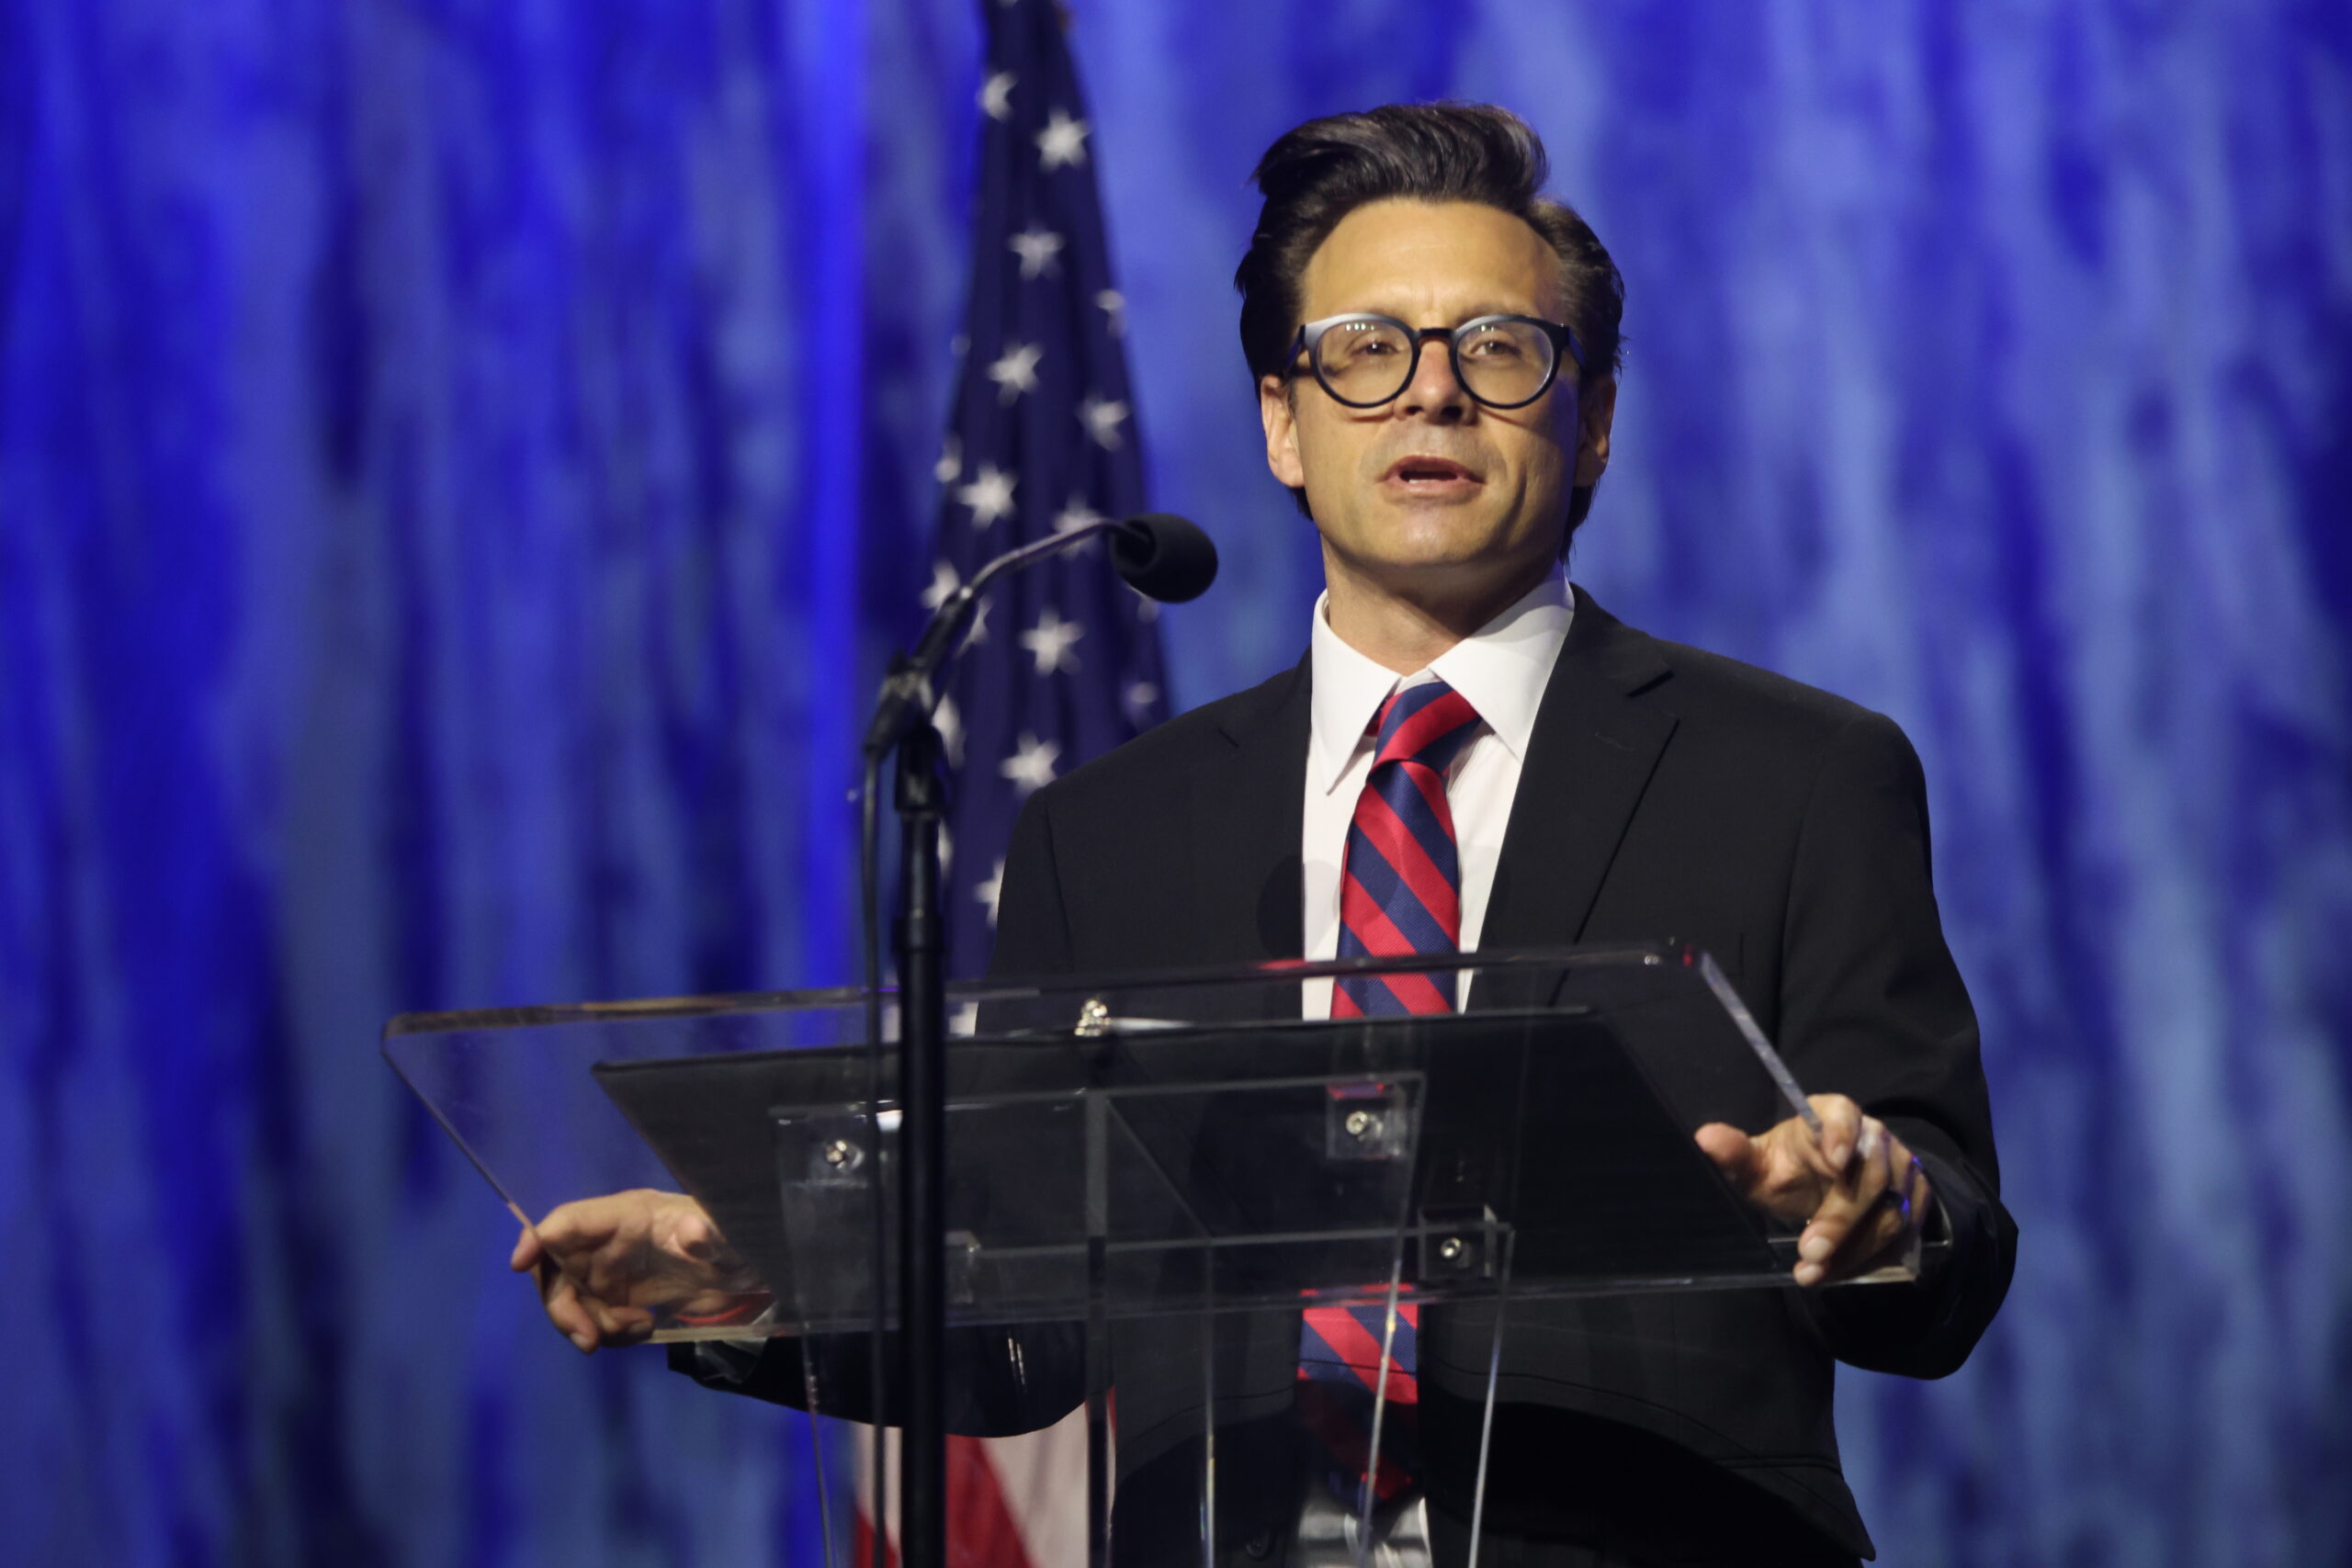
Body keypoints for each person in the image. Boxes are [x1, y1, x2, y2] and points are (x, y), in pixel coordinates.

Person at [517, 104, 2014, 1567]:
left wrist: (1876, 1211)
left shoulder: (1797, 776)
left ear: (1596, 421)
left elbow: (1949, 1244)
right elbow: (1017, 1328)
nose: (1432, 396)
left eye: (1499, 348)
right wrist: (747, 1284)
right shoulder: (1103, 834)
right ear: (1285, 425)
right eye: (1366, 350)